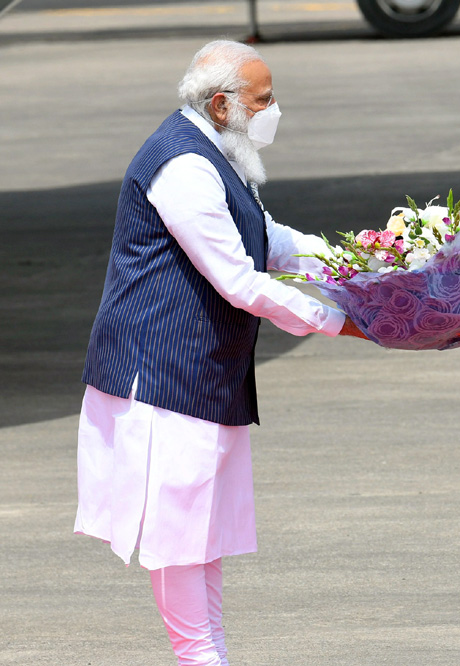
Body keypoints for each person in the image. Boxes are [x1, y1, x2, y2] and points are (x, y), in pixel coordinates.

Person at [74, 40, 366, 666]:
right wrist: (344, 323)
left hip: (203, 375)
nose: (272, 111)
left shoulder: (216, 151)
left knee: (201, 538)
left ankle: (208, 657)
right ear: (221, 104)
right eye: (263, 100)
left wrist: (363, 261)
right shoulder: (183, 165)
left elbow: (267, 237)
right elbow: (239, 279)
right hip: (163, 378)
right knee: (179, 541)